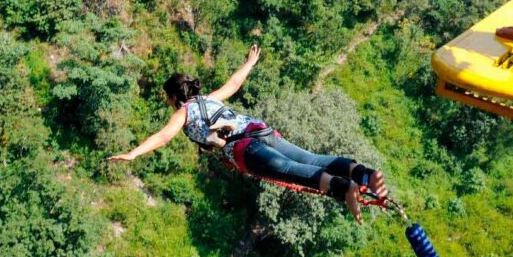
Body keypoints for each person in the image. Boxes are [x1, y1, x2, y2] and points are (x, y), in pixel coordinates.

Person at [109, 45, 387, 223]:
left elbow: (162, 137)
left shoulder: (182, 114)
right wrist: (249, 63)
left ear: (174, 97)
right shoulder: (210, 99)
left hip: (241, 148)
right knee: (312, 159)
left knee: (291, 170)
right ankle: (363, 174)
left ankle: (345, 188)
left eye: (167, 98)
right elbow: (234, 82)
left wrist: (133, 153)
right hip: (258, 129)